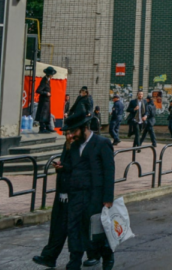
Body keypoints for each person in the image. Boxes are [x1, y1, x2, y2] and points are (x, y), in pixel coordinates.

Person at [59, 111, 116, 270]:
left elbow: (109, 171)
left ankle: (107, 255)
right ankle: (74, 262)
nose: (71, 135)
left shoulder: (102, 143)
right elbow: (72, 167)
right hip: (76, 194)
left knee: (96, 231)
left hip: (95, 196)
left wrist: (108, 198)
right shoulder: (74, 144)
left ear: (84, 127)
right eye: (69, 132)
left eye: (74, 131)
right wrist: (62, 165)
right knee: (74, 228)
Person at [32, 132, 73, 267]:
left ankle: (95, 254)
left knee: (77, 230)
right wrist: (60, 166)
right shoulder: (67, 145)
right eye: (67, 134)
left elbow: (82, 170)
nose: (68, 136)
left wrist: (64, 167)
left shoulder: (82, 147)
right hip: (62, 193)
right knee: (58, 227)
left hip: (75, 195)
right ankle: (49, 256)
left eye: (71, 134)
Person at [35, 66, 56, 133]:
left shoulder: (48, 80)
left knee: (47, 114)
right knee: (43, 114)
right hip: (44, 101)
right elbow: (38, 90)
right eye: (52, 74)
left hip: (46, 100)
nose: (52, 75)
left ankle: (47, 127)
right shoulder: (44, 80)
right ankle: (42, 128)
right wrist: (46, 93)